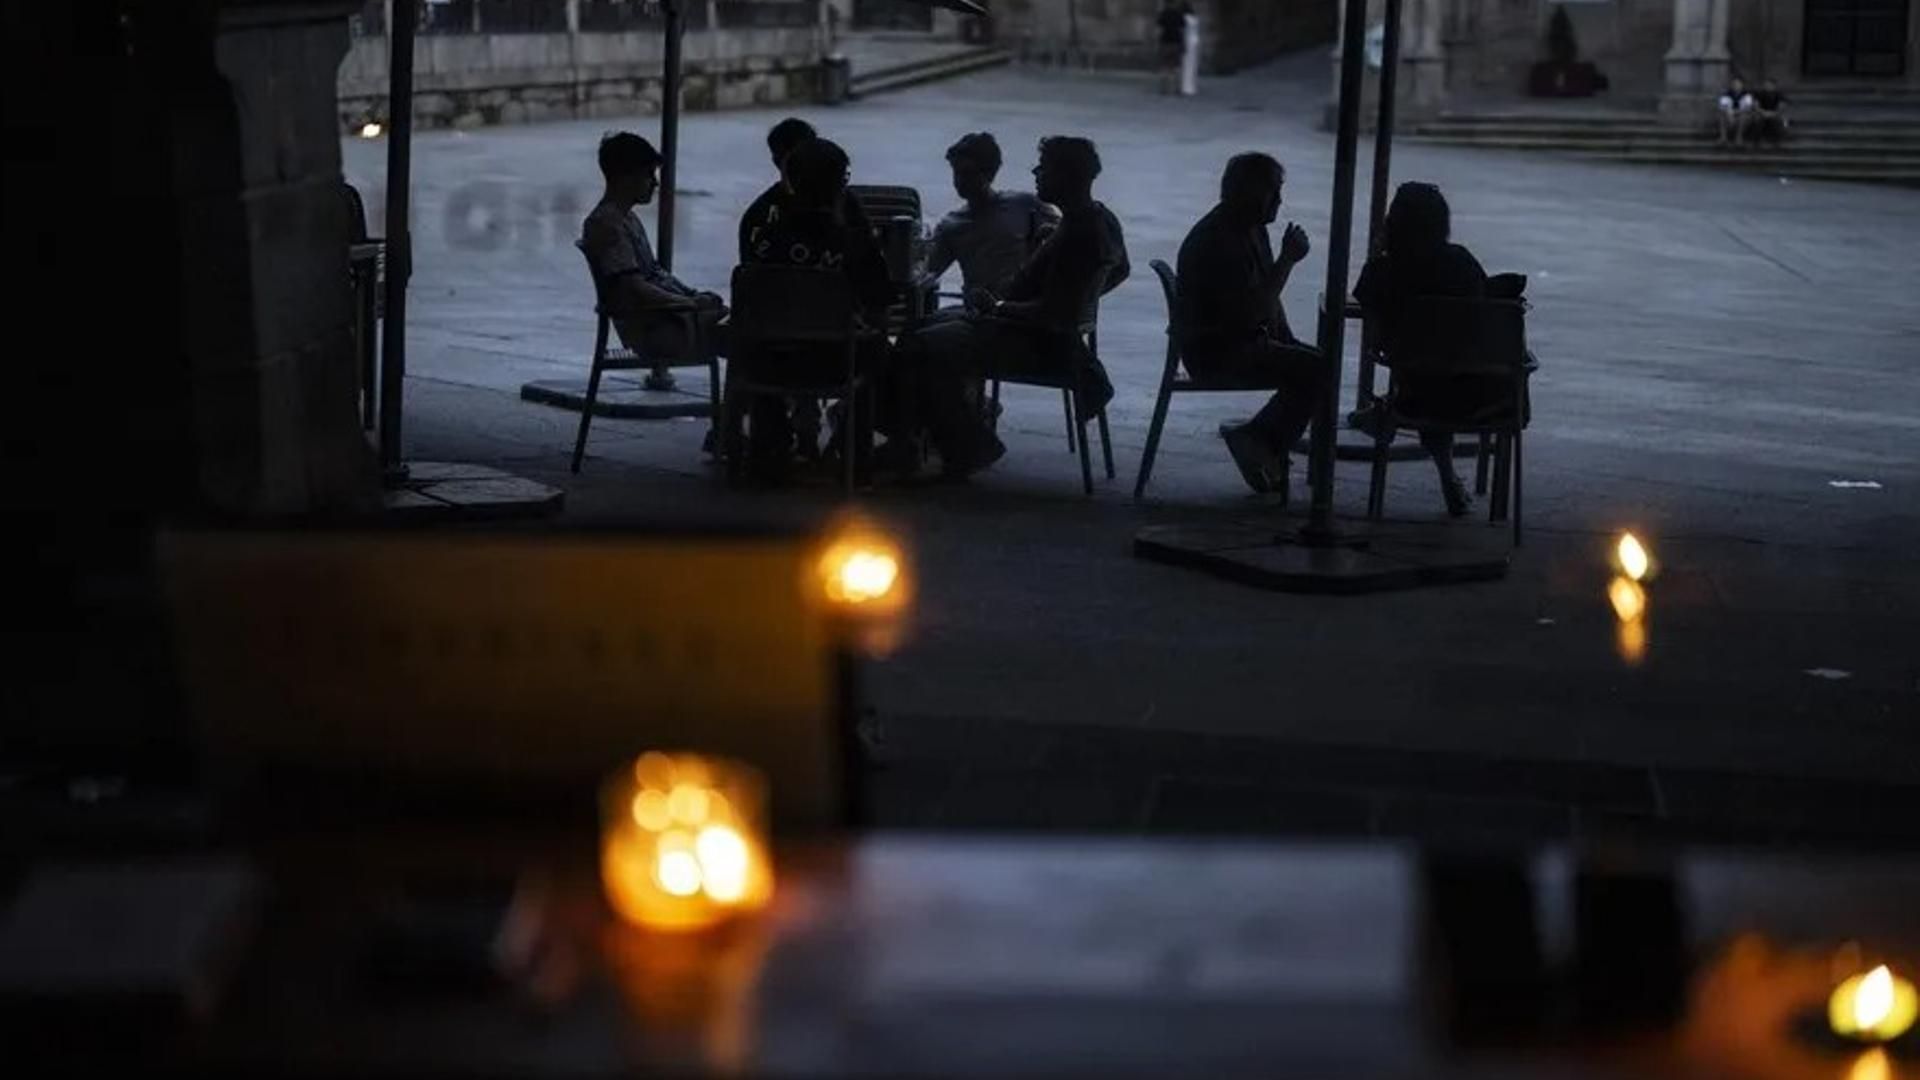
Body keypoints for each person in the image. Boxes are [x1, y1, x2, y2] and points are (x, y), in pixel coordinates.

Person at [896, 136, 1128, 478]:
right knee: (917, 330)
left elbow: (1052, 314)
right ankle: (925, 436)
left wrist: (1000, 306)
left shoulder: (1078, 235)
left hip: (1032, 343)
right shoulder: (1097, 220)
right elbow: (1120, 271)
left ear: (1066, 176)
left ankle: (962, 443)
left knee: (919, 347)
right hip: (1034, 332)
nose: (1036, 173)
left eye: (1044, 168)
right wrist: (1084, 304)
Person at [738, 137, 896, 483]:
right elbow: (880, 312)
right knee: (882, 350)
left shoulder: (764, 241)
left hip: (772, 363)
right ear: (841, 185)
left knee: (758, 341)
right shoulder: (857, 246)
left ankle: (769, 449)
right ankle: (855, 451)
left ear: (790, 182)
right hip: (836, 362)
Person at [1174, 153, 1325, 500]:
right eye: (1272, 191)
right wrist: (1288, 261)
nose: (1279, 201)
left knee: (1317, 362)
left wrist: (1287, 341)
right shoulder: (1218, 240)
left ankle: (1266, 445)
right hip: (1217, 350)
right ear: (1245, 191)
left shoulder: (1253, 229)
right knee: (1316, 368)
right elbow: (1252, 311)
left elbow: (1268, 303)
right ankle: (1261, 441)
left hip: (1245, 340)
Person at [1353, 181, 1496, 517]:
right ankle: (1444, 471)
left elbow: (1374, 342)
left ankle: (1384, 413)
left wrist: (1377, 260)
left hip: (1416, 394)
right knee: (1439, 373)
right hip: (1482, 394)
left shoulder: (1381, 272)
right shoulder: (1462, 262)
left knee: (1423, 375)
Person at [580, 132, 726, 366]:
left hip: (664, 317)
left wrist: (692, 295)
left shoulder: (626, 219)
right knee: (744, 334)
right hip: (654, 328)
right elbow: (633, 287)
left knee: (743, 326)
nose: (655, 182)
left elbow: (654, 274)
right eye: (648, 174)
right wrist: (689, 303)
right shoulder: (607, 224)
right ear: (625, 177)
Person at [921, 132, 1062, 315]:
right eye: (957, 172)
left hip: (1022, 310)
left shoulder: (1025, 205)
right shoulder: (952, 225)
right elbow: (927, 272)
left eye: (968, 173)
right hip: (980, 313)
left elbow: (1065, 237)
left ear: (989, 173)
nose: (960, 181)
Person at [1156, 1, 1194, 95]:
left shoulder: (1163, 13)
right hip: (1176, 42)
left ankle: (1164, 89)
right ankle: (1177, 89)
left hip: (1165, 42)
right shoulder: (1179, 14)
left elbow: (1158, 26)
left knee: (1165, 66)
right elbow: (1183, 27)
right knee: (1176, 67)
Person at [1716, 77, 1754, 147]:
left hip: (1742, 116)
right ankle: (1723, 138)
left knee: (1743, 116)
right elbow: (1722, 107)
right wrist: (1729, 114)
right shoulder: (1726, 94)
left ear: (1742, 85)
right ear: (1731, 85)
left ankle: (1738, 138)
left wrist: (1734, 113)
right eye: (1734, 84)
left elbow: (1748, 108)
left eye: (1738, 84)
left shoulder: (1747, 94)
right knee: (1721, 115)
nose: (1736, 86)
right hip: (1729, 117)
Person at [1751, 78, 1789, 146]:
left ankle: (1777, 140)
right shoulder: (1759, 94)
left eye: (1770, 85)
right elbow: (1755, 106)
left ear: (1774, 86)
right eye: (1766, 84)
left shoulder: (1779, 94)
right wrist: (1763, 112)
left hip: (1774, 113)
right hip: (1762, 113)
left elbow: (1781, 106)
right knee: (1757, 119)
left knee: (1778, 121)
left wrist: (1772, 113)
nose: (1767, 86)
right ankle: (1756, 140)